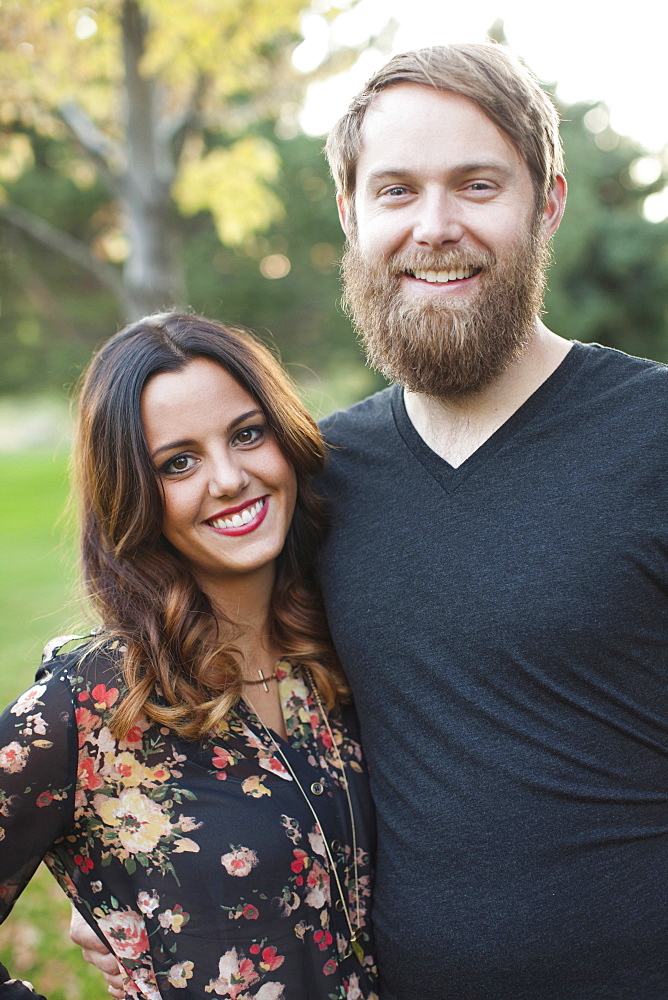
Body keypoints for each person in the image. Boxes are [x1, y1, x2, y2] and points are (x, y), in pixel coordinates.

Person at [74, 42, 668, 999]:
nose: (435, 226)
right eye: (397, 191)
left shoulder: (654, 437)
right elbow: (216, 682)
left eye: (477, 185)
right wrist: (136, 852)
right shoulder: (312, 479)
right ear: (351, 214)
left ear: (546, 202)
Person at [0, 313, 378, 999]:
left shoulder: (331, 655)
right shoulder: (89, 704)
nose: (230, 478)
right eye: (179, 462)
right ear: (133, 494)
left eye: (247, 434)